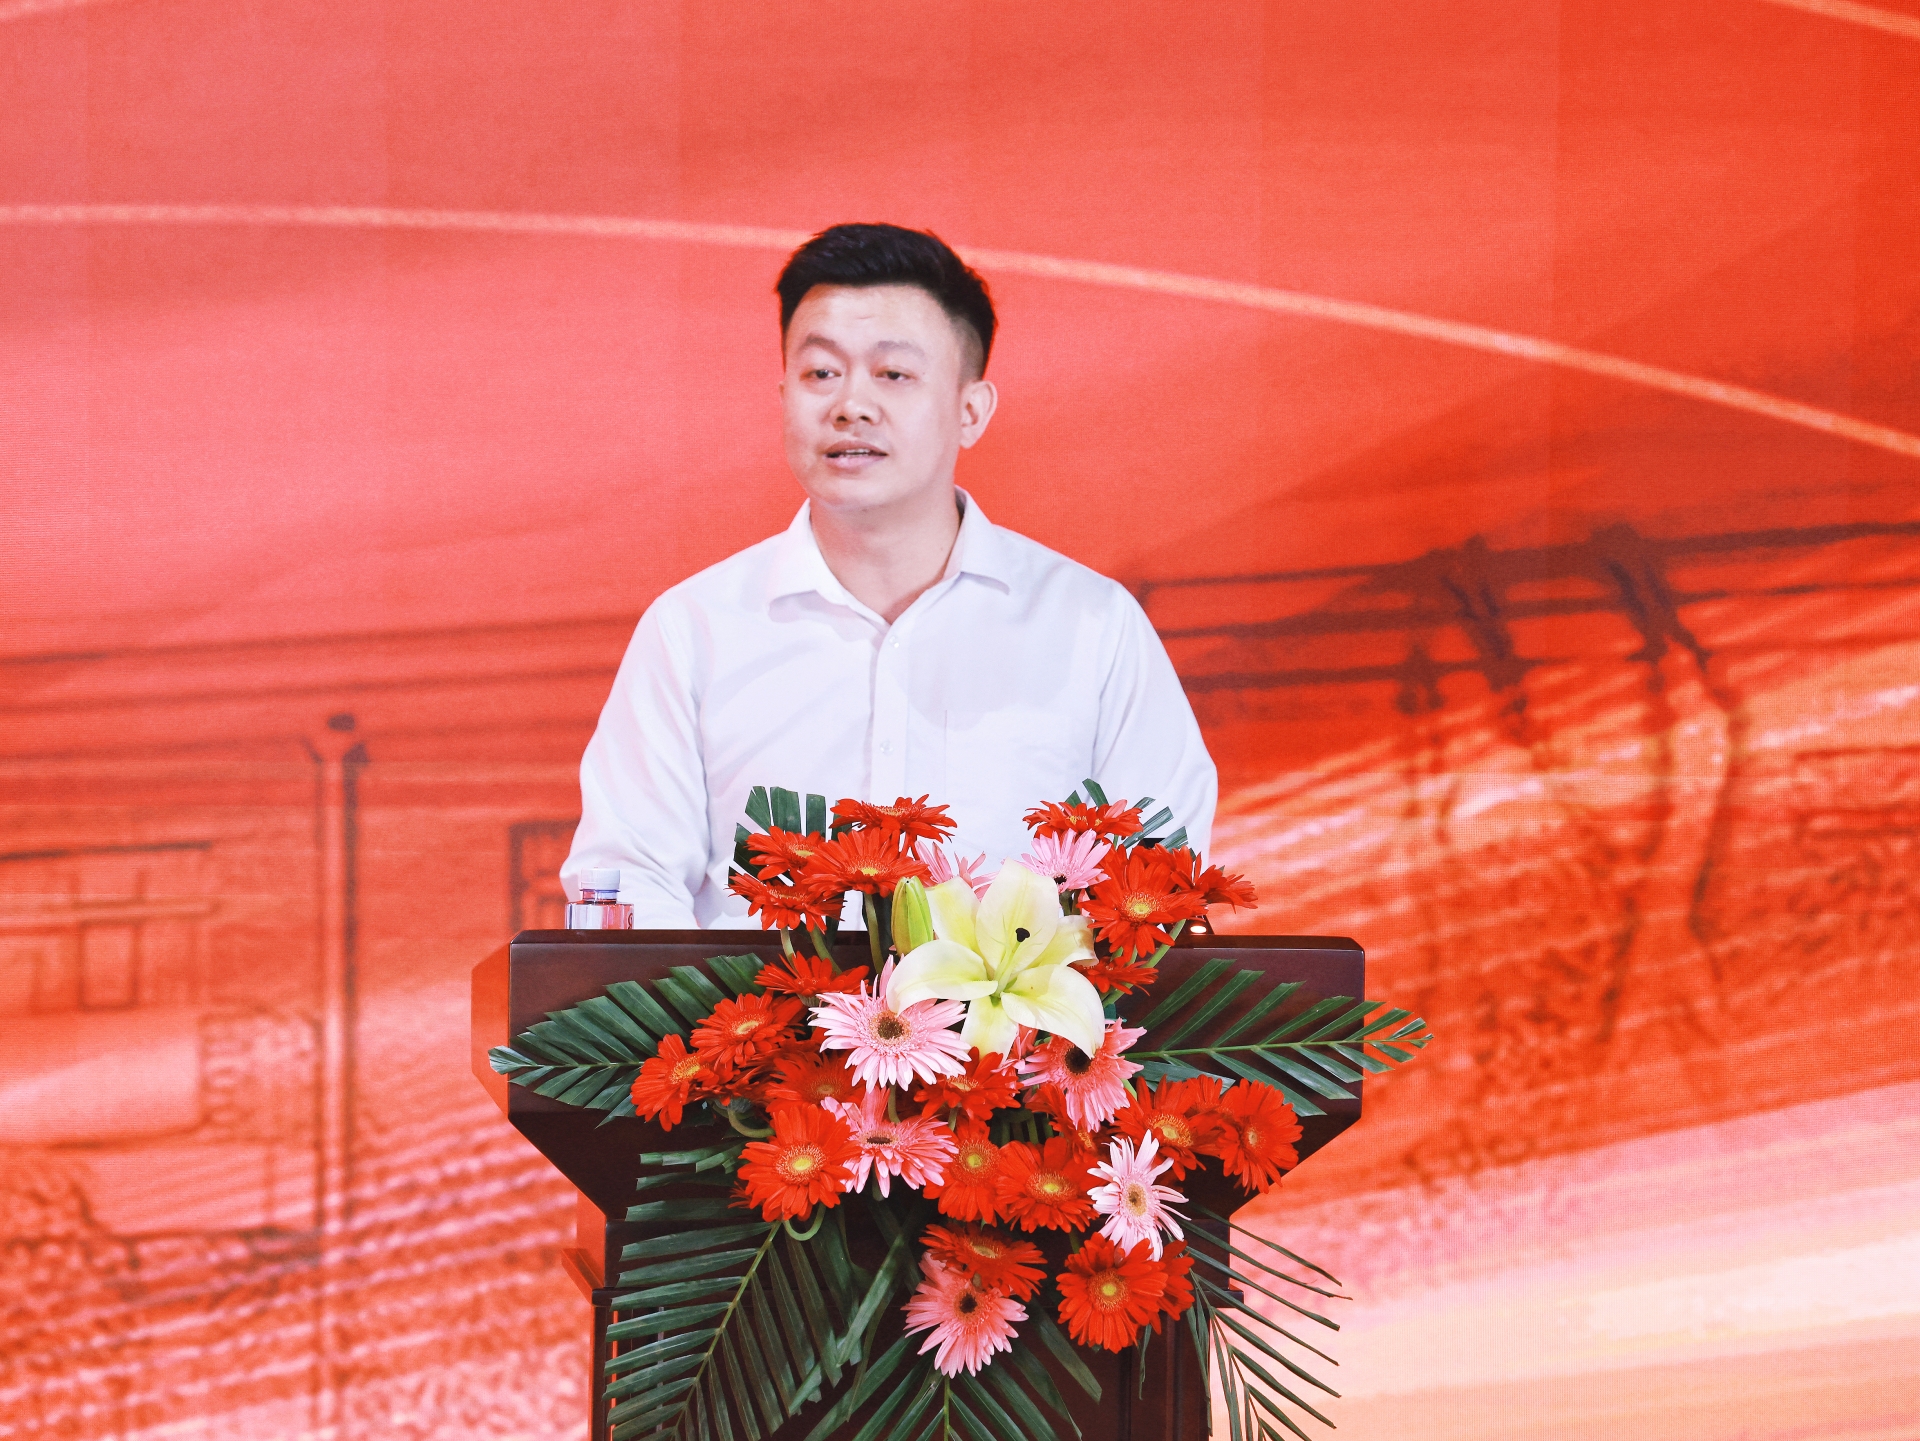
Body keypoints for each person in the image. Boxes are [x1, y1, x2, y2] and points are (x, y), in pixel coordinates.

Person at [561, 223, 1216, 927]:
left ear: (970, 411)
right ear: (783, 396)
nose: (851, 405)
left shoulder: (1091, 627)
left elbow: (1158, 883)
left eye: (893, 375)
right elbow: (631, 880)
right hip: (752, 1003)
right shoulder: (694, 630)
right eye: (821, 374)